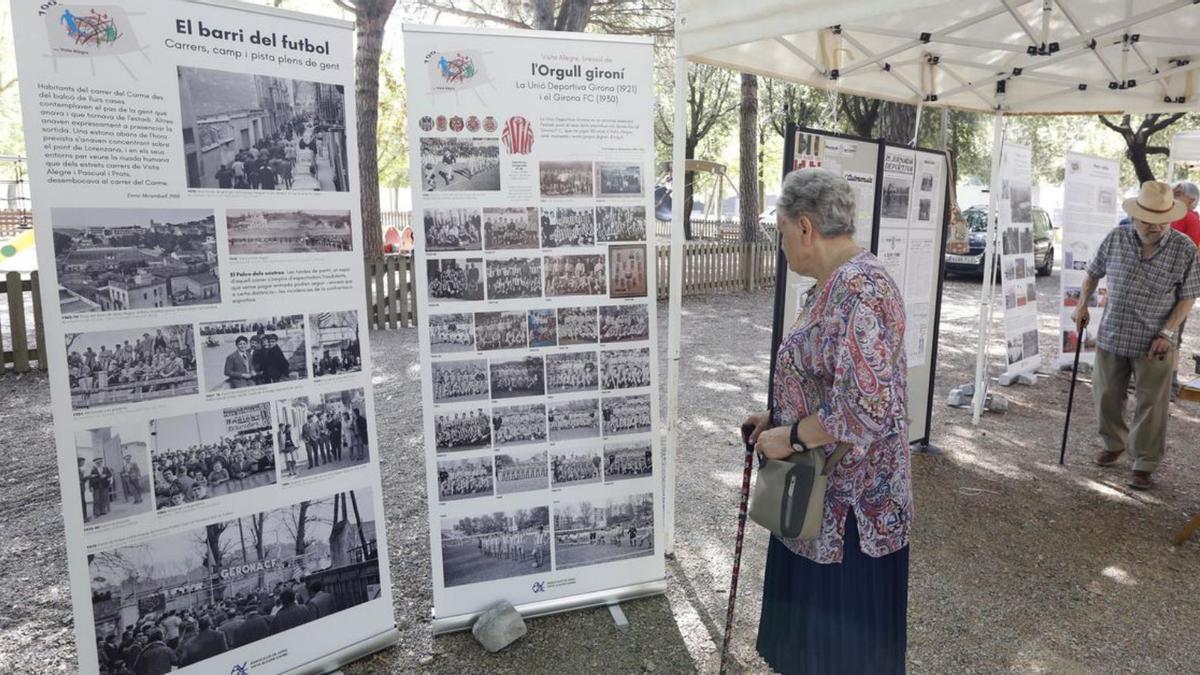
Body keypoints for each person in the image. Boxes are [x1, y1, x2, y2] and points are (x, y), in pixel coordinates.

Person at [741, 169, 910, 674]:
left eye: (784, 230)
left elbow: (861, 407)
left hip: (848, 512)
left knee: (840, 655)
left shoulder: (857, 290)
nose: (784, 243)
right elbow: (830, 381)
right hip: (817, 498)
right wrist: (777, 416)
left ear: (807, 228)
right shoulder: (833, 284)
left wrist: (789, 436)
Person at [1072, 180, 1200, 490]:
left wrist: (1167, 332)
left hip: (1155, 340)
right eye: (1148, 220)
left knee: (1151, 404)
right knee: (1105, 394)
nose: (1155, 227)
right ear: (1135, 216)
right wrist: (1081, 304)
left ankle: (1144, 462)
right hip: (1114, 332)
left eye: (1162, 221)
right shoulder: (1116, 237)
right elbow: (1092, 272)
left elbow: (1189, 296)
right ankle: (1114, 442)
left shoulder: (1185, 248)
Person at [1171, 181, 1200, 245]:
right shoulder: (1193, 217)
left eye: (1177, 194)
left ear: (1191, 200)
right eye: (1171, 193)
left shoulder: (1187, 216)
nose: (1171, 197)